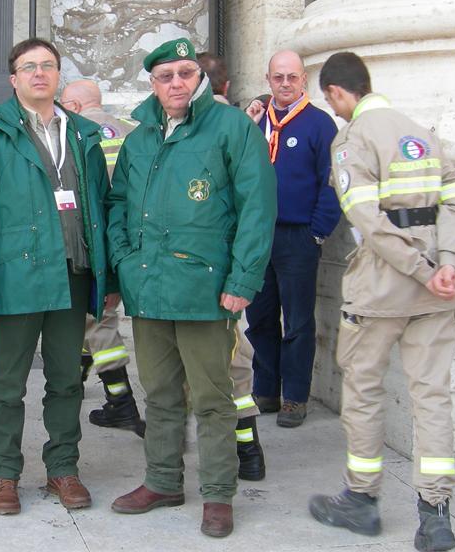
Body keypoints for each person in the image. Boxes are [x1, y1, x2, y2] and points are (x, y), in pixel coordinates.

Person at [107, 38, 276, 538]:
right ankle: (162, 481)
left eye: (185, 73)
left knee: (212, 397)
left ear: (199, 77)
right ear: (153, 84)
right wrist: (124, 263)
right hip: (149, 287)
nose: (176, 83)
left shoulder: (231, 127)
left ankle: (218, 494)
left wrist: (242, 279)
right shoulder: (139, 138)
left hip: (207, 290)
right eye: (166, 76)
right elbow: (118, 205)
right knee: (159, 392)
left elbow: (257, 207)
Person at [309, 51, 455, 552]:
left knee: (363, 392)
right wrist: (446, 264)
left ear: (337, 92)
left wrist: (421, 270)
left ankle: (361, 500)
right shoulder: (421, 133)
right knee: (432, 398)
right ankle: (436, 515)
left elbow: (370, 223)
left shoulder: (352, 139)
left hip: (381, 290)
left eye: (331, 101)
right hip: (437, 291)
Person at [0, 39, 113, 516]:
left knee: (67, 381)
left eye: (47, 65)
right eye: (29, 67)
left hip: (72, 274)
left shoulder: (83, 133)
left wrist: (110, 279)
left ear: (58, 75)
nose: (39, 73)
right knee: (8, 384)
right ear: (14, 78)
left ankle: (63, 468)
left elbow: (102, 207)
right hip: (15, 275)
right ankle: (4, 474)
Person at [243, 50, 341, 427]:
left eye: (292, 77)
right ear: (268, 80)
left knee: (297, 322)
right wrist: (248, 124)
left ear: (304, 80)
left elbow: (332, 181)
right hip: (257, 236)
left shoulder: (319, 124)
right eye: (278, 77)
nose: (285, 84)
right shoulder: (256, 121)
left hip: (297, 236)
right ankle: (265, 389)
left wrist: (317, 231)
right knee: (260, 317)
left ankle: (295, 397)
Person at [59, 79, 145, 437]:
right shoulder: (131, 131)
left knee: (99, 320)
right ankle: (78, 378)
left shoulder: (75, 134)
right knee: (89, 316)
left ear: (76, 107)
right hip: (131, 241)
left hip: (96, 240)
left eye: (64, 104)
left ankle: (121, 402)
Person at [195, 52, 266, 480]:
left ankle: (243, 449)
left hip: (204, 268)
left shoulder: (215, 128)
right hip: (224, 265)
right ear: (225, 86)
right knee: (234, 359)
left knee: (224, 359)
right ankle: (246, 448)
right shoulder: (242, 126)